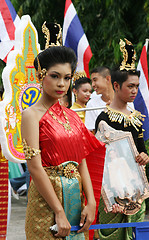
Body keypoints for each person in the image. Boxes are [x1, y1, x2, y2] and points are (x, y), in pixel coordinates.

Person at [21, 22, 105, 239]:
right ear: (41, 75)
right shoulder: (31, 115)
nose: (62, 84)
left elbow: (82, 161)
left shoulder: (73, 116)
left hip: (75, 196)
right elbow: (35, 168)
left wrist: (91, 202)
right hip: (46, 200)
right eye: (55, 76)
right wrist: (58, 211)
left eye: (67, 78)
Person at [95, 38, 149, 240]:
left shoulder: (136, 118)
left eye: (137, 86)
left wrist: (144, 157)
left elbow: (142, 150)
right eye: (130, 86)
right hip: (111, 187)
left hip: (135, 187)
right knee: (111, 234)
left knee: (135, 233)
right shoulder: (104, 118)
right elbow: (100, 158)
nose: (134, 91)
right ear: (116, 85)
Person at [85, 66, 114, 132]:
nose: (93, 85)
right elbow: (92, 133)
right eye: (91, 81)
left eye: (95, 80)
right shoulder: (92, 104)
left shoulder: (124, 99)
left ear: (107, 79)